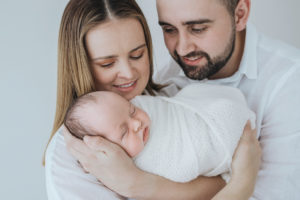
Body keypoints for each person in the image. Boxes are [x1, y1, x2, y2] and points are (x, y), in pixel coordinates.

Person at [45, 0, 261, 199]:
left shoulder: (171, 101)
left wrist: (141, 183)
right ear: (80, 65)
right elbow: (227, 183)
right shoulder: (74, 158)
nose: (128, 73)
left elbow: (219, 181)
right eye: (107, 64)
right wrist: (243, 181)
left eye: (137, 55)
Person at [152, 0, 300, 199]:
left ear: (240, 15)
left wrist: (139, 184)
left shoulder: (289, 81)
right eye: (169, 30)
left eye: (197, 28)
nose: (182, 48)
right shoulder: (165, 74)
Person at [64, 84, 255, 184]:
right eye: (124, 132)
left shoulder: (143, 103)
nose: (137, 123)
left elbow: (167, 110)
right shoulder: (127, 169)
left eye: (131, 110)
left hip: (215, 118)